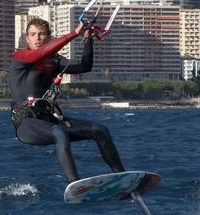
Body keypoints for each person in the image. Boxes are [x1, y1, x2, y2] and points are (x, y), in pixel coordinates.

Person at [9, 17, 125, 184]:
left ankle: (121, 177)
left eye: (42, 34)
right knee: (59, 132)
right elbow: (39, 54)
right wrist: (75, 33)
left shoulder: (54, 60)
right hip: (26, 124)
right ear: (27, 38)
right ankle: (75, 183)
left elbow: (84, 67)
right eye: (33, 34)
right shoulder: (20, 57)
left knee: (100, 130)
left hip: (49, 118)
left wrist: (89, 41)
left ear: (48, 37)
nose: (37, 38)